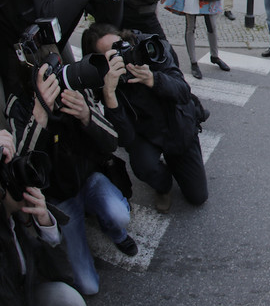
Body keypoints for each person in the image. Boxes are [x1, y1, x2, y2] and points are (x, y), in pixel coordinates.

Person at [5, 62, 135, 296]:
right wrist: (40, 115)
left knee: (119, 215)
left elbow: (112, 142)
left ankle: (116, 233)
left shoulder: (73, 85)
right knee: (88, 286)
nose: (53, 82)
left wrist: (87, 116)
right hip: (58, 196)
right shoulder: (20, 105)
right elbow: (23, 171)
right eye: (45, 76)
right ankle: (82, 235)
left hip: (89, 179)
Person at [82, 23, 208, 215]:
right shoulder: (107, 81)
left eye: (121, 46)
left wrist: (154, 79)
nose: (122, 54)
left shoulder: (150, 47)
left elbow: (183, 91)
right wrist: (110, 93)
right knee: (144, 165)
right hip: (145, 132)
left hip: (176, 123)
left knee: (198, 197)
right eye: (112, 53)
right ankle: (163, 185)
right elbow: (125, 139)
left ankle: (177, 161)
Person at [0, 129, 85, 306]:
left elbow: (61, 273)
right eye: (10, 174)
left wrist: (45, 224)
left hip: (25, 290)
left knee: (69, 299)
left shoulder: (17, 220)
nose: (27, 183)